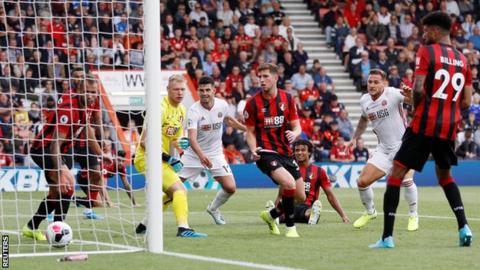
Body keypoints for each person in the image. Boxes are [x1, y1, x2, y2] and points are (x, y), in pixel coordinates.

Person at [371, 12, 473, 249]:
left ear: (436, 31)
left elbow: (418, 88)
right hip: (448, 128)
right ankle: (464, 228)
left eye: (426, 30)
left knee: (396, 175)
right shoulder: (464, 60)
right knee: (445, 176)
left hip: (424, 124)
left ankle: (387, 238)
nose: (424, 34)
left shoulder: (427, 52)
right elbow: (467, 102)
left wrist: (419, 107)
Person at [23, 77, 98, 240]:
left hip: (61, 150)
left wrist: (100, 153)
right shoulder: (69, 108)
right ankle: (58, 229)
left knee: (56, 193)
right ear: (79, 91)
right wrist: (62, 169)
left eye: (94, 93)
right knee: (67, 185)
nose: (91, 96)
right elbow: (54, 144)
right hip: (43, 149)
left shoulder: (89, 105)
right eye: (88, 92)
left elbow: (87, 129)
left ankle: (31, 227)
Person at [134, 75, 207, 238]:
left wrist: (181, 146)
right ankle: (183, 228)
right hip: (146, 158)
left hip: (161, 158)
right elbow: (145, 142)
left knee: (170, 193)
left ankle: (144, 225)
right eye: (176, 89)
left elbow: (175, 139)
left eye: (182, 89)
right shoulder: (159, 109)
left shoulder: (181, 110)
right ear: (168, 90)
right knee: (179, 189)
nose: (180, 93)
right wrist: (170, 159)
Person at [350, 69, 419, 231]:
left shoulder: (393, 94)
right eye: (370, 82)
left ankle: (413, 215)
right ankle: (370, 211)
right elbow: (363, 119)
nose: (372, 85)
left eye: (376, 82)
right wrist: (354, 137)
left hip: (403, 146)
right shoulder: (364, 100)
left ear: (384, 83)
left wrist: (411, 94)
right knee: (362, 182)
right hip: (383, 149)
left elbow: (416, 103)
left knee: (407, 181)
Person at [244, 63, 305, 238]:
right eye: (259, 77)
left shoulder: (288, 99)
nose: (261, 80)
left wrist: (295, 133)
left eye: (265, 77)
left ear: (275, 78)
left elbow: (297, 125)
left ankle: (271, 216)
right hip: (265, 152)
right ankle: (291, 228)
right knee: (289, 184)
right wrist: (253, 149)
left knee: (300, 196)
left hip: (285, 151)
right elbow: (249, 132)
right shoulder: (253, 103)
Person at [178, 76, 246, 225]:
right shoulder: (194, 111)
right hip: (193, 155)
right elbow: (192, 138)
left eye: (208, 90)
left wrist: (246, 129)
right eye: (201, 90)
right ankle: (149, 220)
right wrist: (201, 156)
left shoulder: (222, 105)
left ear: (214, 90)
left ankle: (213, 208)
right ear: (198, 91)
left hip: (215, 154)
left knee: (230, 187)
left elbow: (227, 120)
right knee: (172, 186)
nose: (204, 93)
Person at [268, 140, 350, 225]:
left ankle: (312, 215)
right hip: (289, 207)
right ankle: (274, 214)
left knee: (308, 214)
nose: (299, 153)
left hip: (306, 208)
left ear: (309, 152)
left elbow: (330, 195)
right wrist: (276, 207)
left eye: (303, 150)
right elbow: (280, 194)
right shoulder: (287, 170)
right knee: (282, 215)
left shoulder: (319, 171)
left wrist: (343, 215)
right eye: (297, 150)